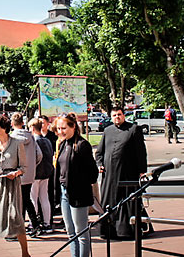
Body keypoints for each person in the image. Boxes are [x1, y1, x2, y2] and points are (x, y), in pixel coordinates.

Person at [96, 106, 148, 239]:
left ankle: (128, 231)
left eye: (119, 114)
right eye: (114, 115)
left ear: (124, 115)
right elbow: (99, 152)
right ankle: (108, 231)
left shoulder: (133, 129)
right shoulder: (107, 130)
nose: (117, 117)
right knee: (109, 202)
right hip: (109, 176)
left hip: (127, 173)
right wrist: (100, 164)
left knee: (128, 201)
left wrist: (142, 171)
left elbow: (140, 152)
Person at [54, 113, 99, 257]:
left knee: (81, 232)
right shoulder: (62, 143)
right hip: (64, 192)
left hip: (78, 193)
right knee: (70, 232)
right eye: (58, 128)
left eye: (63, 128)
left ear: (73, 127)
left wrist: (78, 181)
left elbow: (93, 173)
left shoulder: (81, 145)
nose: (60, 131)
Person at [0, 114, 30, 257]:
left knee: (15, 217)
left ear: (4, 128)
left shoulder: (17, 143)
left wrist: (16, 173)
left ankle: (25, 252)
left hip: (11, 185)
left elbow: (24, 167)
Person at [10, 112, 42, 236]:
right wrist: (32, 165)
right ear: (22, 123)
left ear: (12, 124)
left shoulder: (12, 138)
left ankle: (20, 228)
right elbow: (39, 155)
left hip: (17, 173)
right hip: (29, 173)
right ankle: (34, 224)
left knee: (18, 202)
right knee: (26, 199)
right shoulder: (31, 137)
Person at [29, 118, 54, 234]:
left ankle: (32, 222)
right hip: (46, 173)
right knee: (44, 197)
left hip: (35, 174)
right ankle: (47, 223)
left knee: (33, 198)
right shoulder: (47, 141)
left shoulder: (33, 141)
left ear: (33, 128)